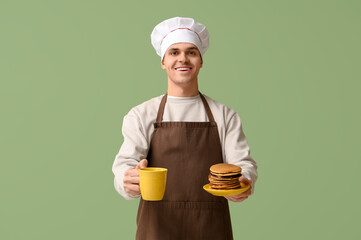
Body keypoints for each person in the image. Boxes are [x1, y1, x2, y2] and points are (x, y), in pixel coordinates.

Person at [112, 17, 258, 240]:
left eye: (191, 52)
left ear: (201, 61)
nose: (183, 59)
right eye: (174, 52)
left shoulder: (224, 115)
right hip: (156, 229)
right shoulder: (142, 114)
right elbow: (125, 165)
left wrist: (243, 181)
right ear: (163, 61)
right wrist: (128, 180)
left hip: (211, 229)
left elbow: (242, 164)